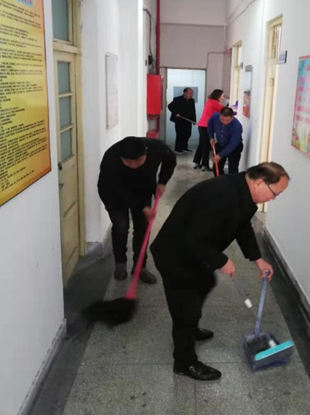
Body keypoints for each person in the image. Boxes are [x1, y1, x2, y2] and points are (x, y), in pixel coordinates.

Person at [150, 162, 290, 381]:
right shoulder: (221, 196)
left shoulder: (243, 191)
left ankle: (192, 327)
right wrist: (221, 260)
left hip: (195, 253)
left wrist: (257, 259)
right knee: (185, 308)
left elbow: (242, 226)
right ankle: (185, 362)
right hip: (175, 254)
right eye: (275, 193)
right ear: (259, 183)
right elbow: (192, 238)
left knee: (205, 283)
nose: (273, 199)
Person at [98, 136, 177, 282]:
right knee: (121, 227)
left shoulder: (156, 148)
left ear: (146, 153)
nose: (134, 165)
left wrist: (162, 181)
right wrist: (142, 207)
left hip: (142, 189)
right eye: (129, 162)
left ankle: (140, 266)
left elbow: (170, 159)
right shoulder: (111, 158)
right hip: (114, 194)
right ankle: (120, 263)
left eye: (139, 160)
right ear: (121, 157)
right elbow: (115, 188)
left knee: (143, 228)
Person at [193, 89, 225, 172]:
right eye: (222, 95)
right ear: (218, 96)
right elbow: (225, 110)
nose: (223, 97)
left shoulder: (209, 101)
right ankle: (205, 165)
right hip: (206, 126)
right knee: (206, 145)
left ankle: (197, 162)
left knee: (202, 144)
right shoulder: (214, 103)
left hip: (202, 126)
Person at [208, 107, 243, 175]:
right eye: (222, 119)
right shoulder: (214, 117)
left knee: (233, 170)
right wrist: (211, 137)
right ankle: (221, 181)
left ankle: (231, 182)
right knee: (216, 168)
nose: (224, 122)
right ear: (219, 115)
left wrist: (220, 155)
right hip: (221, 144)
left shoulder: (237, 126)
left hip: (234, 148)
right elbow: (210, 126)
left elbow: (233, 144)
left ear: (232, 117)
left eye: (227, 120)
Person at [168, 88, 196, 153]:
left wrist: (194, 120)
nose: (191, 95)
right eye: (190, 93)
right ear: (185, 93)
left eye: (192, 93)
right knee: (180, 134)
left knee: (188, 134)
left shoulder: (192, 100)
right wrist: (176, 113)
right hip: (179, 120)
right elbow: (170, 106)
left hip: (188, 120)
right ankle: (178, 148)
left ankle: (184, 147)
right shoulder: (177, 99)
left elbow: (193, 110)